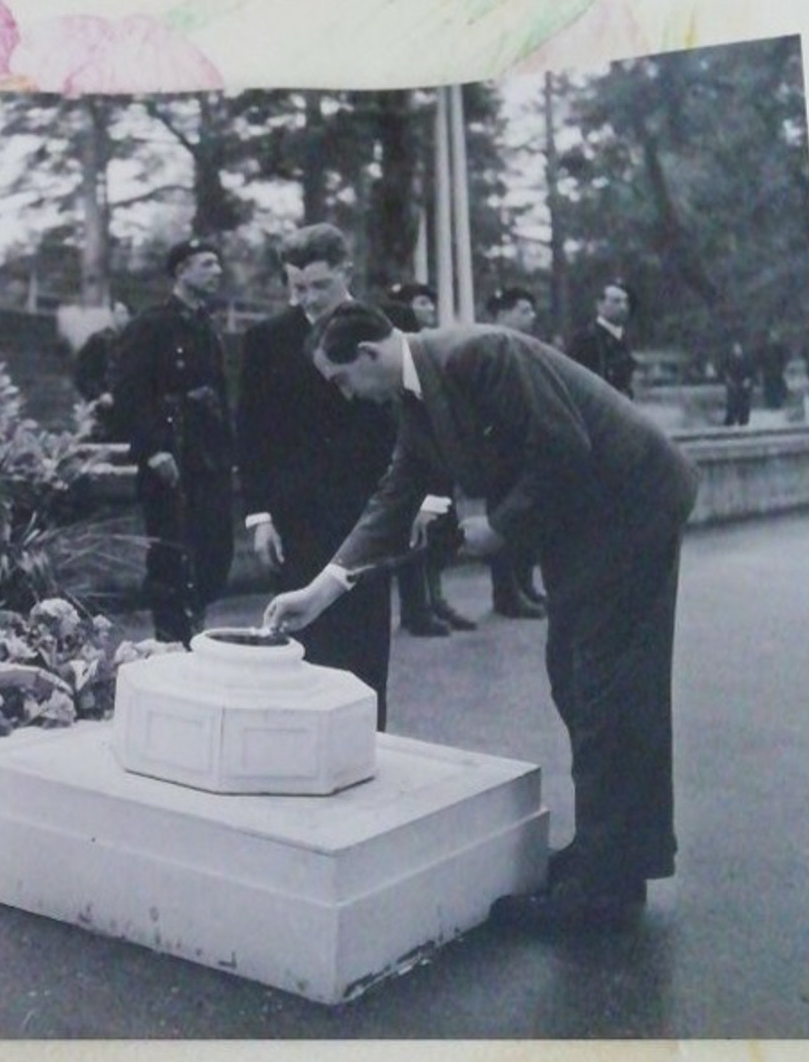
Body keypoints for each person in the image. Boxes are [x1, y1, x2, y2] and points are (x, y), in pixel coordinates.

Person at [265, 303, 700, 931]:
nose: (347, 396)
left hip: (628, 513)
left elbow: (563, 447)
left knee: (605, 689)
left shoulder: (478, 355)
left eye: (341, 380)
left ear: (367, 354)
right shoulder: (417, 394)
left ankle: (606, 888)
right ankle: (611, 856)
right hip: (598, 523)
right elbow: (396, 497)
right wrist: (323, 589)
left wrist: (497, 528)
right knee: (583, 683)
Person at [238, 225, 397, 728]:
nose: (305, 299)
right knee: (300, 652)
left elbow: (412, 419)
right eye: (296, 287)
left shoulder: (386, 328)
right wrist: (260, 515)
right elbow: (253, 431)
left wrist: (427, 499)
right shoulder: (266, 339)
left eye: (318, 286)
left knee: (365, 653)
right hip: (296, 520)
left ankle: (368, 751)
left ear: (346, 273)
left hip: (367, 512)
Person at [107, 239, 235, 646]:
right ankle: (172, 642)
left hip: (207, 455)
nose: (217, 271)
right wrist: (153, 449)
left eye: (217, 264)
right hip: (170, 453)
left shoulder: (207, 328)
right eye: (207, 264)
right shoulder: (152, 325)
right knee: (171, 554)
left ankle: (194, 625)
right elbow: (129, 392)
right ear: (181, 270)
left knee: (214, 551)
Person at [383, 281, 475, 638]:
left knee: (439, 531)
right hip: (410, 458)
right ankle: (417, 607)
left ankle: (433, 599)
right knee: (412, 534)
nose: (428, 310)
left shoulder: (428, 353)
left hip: (434, 457)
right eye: (420, 302)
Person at [483, 287, 547, 619]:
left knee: (524, 520)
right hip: (498, 445)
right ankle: (506, 592)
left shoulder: (524, 346)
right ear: (503, 313)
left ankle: (524, 584)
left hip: (522, 442)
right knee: (502, 520)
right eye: (524, 310)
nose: (531, 317)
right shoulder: (488, 345)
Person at [73, 300, 133, 440]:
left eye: (127, 314)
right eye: (121, 313)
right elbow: (82, 374)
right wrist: (99, 394)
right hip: (103, 409)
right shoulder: (98, 341)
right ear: (112, 314)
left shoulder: (135, 342)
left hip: (128, 411)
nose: (124, 317)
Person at [567, 279, 637, 397]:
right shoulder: (585, 339)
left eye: (625, 302)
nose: (623, 307)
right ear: (599, 305)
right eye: (616, 301)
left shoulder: (623, 339)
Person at [721, 340, 756, 427]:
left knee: (744, 405)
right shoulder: (729, 359)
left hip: (744, 387)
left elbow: (751, 372)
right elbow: (725, 371)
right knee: (732, 404)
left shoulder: (747, 360)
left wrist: (748, 380)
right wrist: (728, 380)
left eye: (738, 349)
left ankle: (743, 421)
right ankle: (731, 421)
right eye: (735, 349)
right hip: (733, 386)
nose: (737, 351)